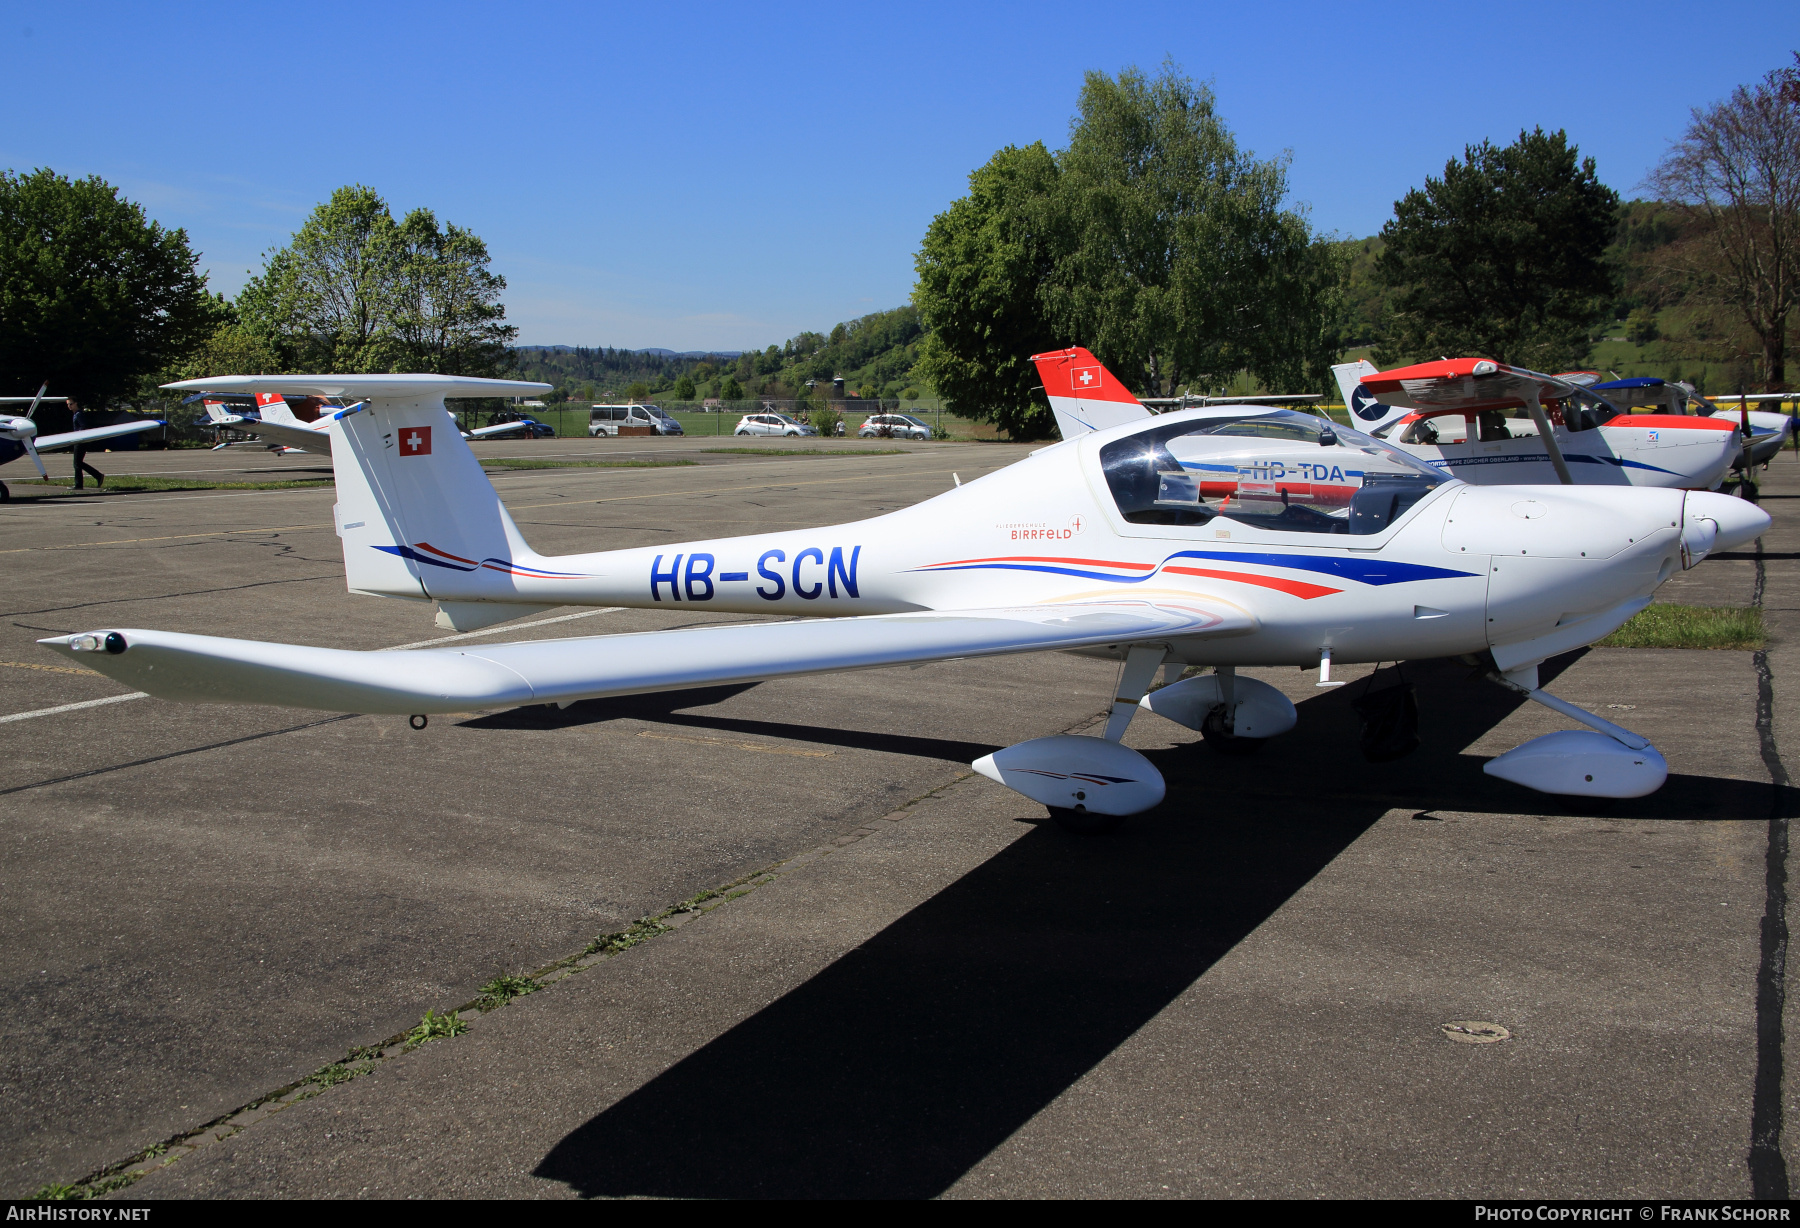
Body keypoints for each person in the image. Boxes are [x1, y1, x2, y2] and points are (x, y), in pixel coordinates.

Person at [67, 399, 105, 490]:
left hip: (81, 441)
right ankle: (97, 476)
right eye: (68, 404)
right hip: (79, 440)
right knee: (78, 463)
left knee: (77, 463)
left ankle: (81, 484)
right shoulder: (76, 414)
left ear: (76, 403)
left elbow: (83, 426)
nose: (69, 406)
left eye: (71, 404)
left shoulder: (79, 414)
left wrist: (78, 435)